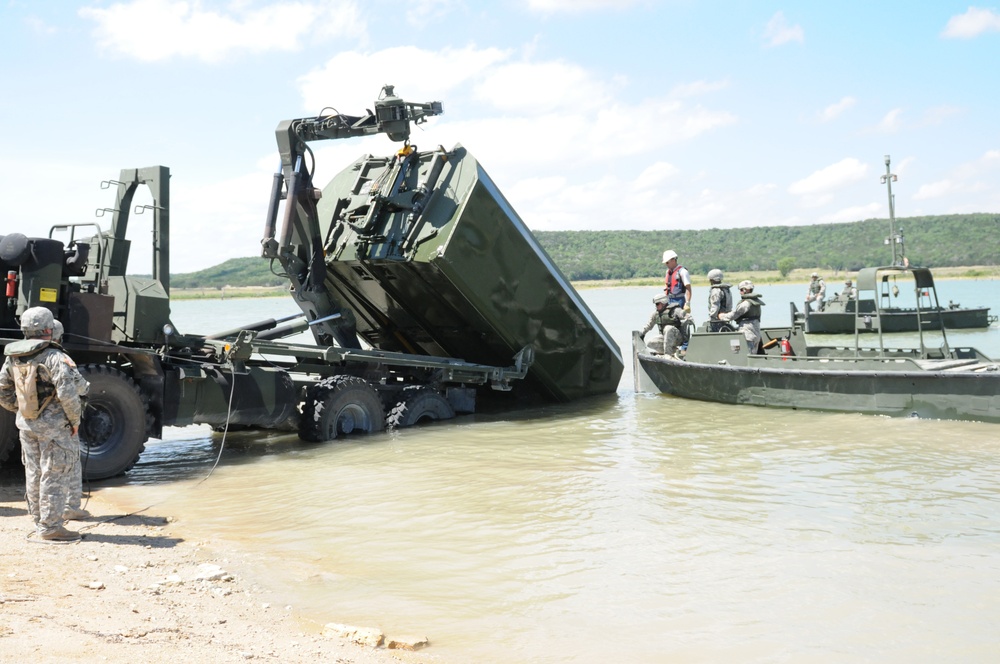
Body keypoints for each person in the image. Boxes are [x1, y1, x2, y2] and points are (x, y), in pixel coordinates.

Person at [0, 307, 85, 542]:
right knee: (54, 473)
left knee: (34, 472)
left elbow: (3, 391)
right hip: (56, 429)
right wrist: (74, 420)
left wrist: (22, 412)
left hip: (26, 424)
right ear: (49, 329)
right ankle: (50, 527)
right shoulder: (55, 357)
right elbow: (68, 394)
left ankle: (39, 521)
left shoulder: (14, 356)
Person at [51, 320, 90, 522]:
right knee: (71, 463)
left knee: (39, 468)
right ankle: (71, 508)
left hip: (29, 423)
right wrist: (75, 421)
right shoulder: (61, 358)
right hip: (60, 423)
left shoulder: (20, 357)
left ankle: (41, 512)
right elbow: (80, 387)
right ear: (59, 336)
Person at [717, 280, 765, 354]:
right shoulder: (756, 302)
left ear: (745, 290)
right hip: (756, 333)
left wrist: (722, 316)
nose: (740, 292)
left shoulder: (746, 303)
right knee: (753, 355)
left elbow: (734, 314)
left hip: (747, 334)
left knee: (747, 356)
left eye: (741, 290)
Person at [640, 293, 687, 357]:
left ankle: (668, 354)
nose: (656, 306)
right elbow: (649, 325)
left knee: (668, 328)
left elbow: (688, 318)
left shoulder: (675, 310)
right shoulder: (655, 314)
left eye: (657, 304)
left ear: (663, 302)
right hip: (665, 338)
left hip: (677, 338)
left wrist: (684, 322)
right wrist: (642, 334)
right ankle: (673, 351)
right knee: (650, 342)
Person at [661, 249, 692, 314]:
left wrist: (687, 303)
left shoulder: (682, 272)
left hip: (679, 300)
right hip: (668, 299)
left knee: (678, 319)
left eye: (667, 262)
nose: (666, 265)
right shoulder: (668, 272)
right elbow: (666, 287)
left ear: (673, 260)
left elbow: (688, 288)